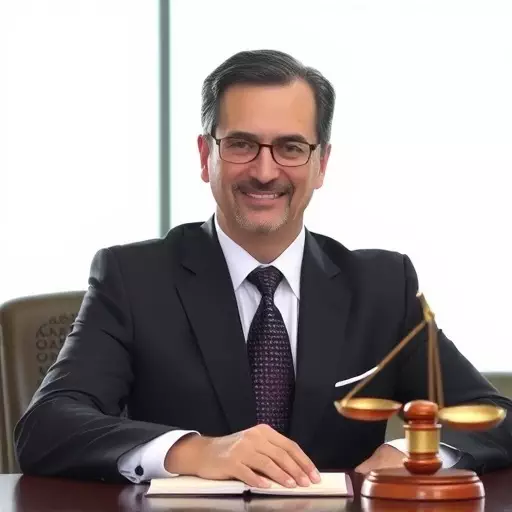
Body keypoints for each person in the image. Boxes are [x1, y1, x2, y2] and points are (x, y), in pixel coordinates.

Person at [15, 50, 512, 485]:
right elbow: (47, 426)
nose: (265, 171)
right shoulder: (132, 278)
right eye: (241, 144)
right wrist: (195, 452)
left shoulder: (382, 288)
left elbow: (496, 417)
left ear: (321, 164)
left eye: (291, 148)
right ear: (206, 155)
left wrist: (414, 453)